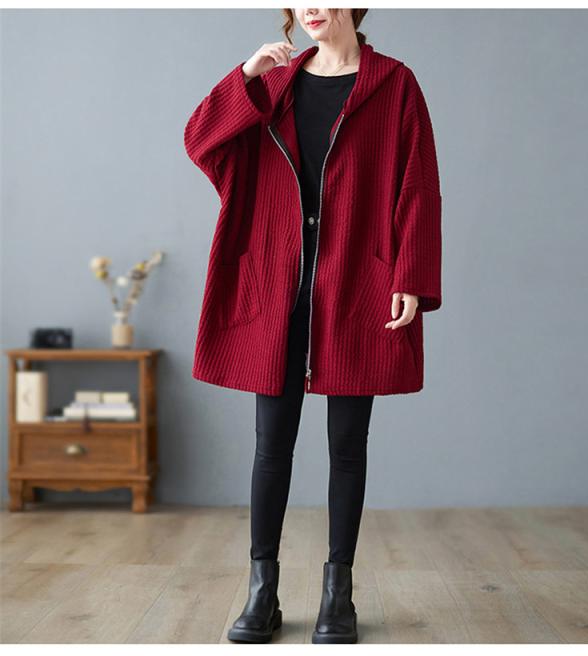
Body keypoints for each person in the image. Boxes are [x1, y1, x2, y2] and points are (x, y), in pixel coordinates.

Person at [184, 7, 442, 645]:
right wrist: (245, 75)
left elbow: (418, 184)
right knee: (271, 446)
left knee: (347, 446)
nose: (312, 8)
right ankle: (262, 592)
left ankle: (338, 595)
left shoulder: (394, 83)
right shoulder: (272, 83)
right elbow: (201, 141)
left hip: (356, 280)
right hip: (277, 283)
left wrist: (410, 274)